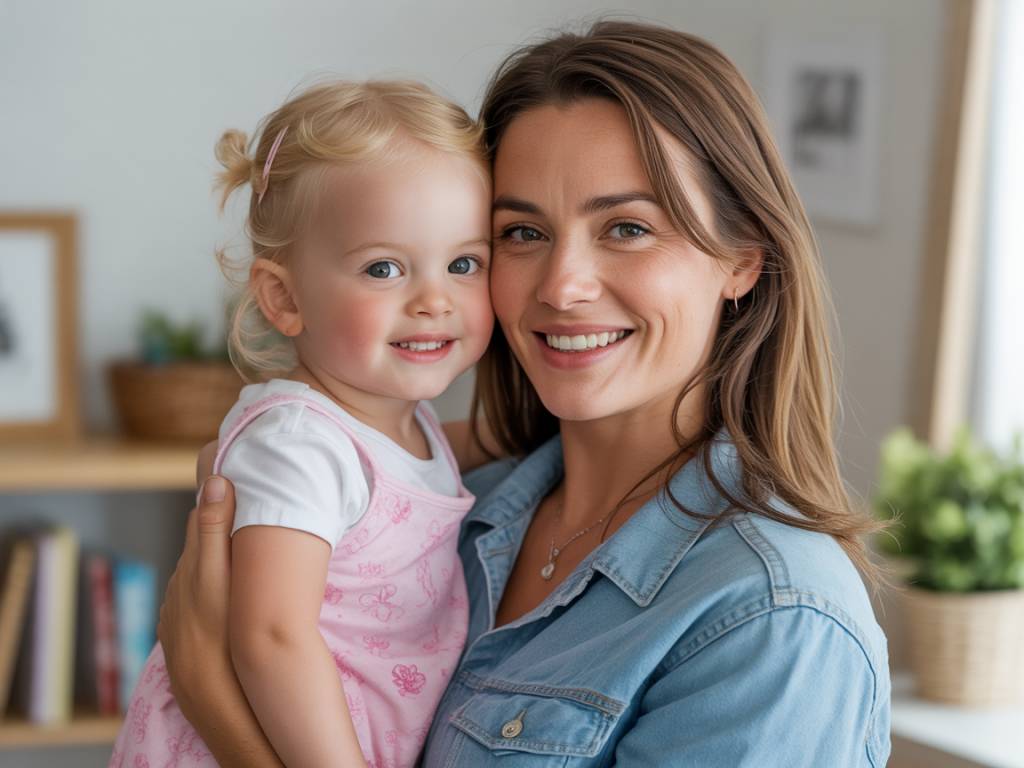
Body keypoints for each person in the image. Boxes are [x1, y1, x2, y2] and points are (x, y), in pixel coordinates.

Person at [156, 20, 893, 767]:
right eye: (521, 233)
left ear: (741, 260)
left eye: (627, 227)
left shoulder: (774, 618)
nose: (562, 287)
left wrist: (212, 696)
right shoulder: (458, 511)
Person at [111, 80, 498, 768]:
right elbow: (272, 636)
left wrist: (519, 434)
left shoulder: (396, 421)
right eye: (384, 268)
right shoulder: (296, 444)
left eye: (463, 264)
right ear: (285, 299)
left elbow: (411, 478)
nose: (434, 299)